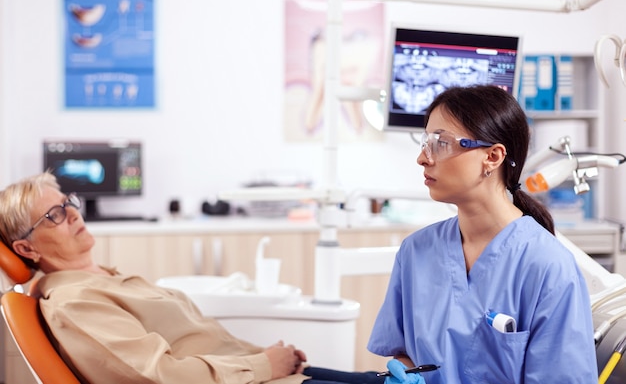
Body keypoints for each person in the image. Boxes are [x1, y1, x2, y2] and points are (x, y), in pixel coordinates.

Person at [0, 172, 385, 384]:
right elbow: (161, 376)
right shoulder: (75, 303)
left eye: (68, 203)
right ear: (27, 250)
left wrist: (267, 357)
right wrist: (266, 365)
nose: (72, 214)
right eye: (53, 215)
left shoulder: (107, 279)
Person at [367, 85, 598, 384]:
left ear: (493, 156)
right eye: (425, 142)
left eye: (440, 143)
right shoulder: (415, 252)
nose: (423, 158)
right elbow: (404, 354)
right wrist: (403, 371)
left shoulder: (548, 266)